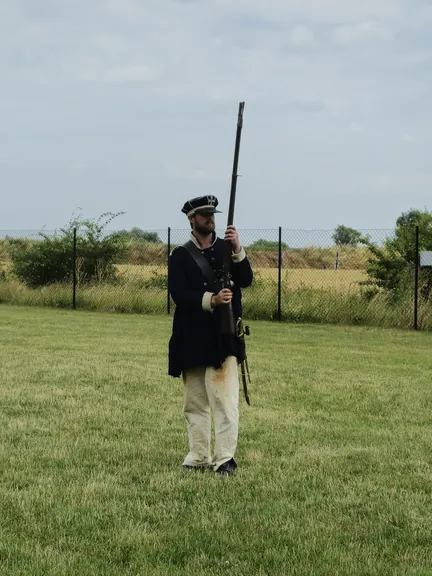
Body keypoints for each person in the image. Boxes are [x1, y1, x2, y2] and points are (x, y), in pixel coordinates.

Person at [168, 195, 253, 476]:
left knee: (225, 400)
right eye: (203, 214)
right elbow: (179, 294)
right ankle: (198, 455)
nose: (210, 218)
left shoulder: (228, 248)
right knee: (195, 402)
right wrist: (211, 300)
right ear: (191, 219)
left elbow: (247, 279)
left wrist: (238, 248)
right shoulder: (180, 256)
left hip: (223, 334)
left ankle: (225, 459)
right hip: (192, 336)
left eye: (211, 213)